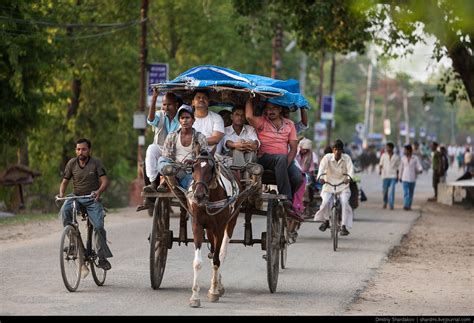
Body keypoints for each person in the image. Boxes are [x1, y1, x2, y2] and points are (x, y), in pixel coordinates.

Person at [245, 96, 304, 222]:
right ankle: (286, 202)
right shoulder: (262, 121)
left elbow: (293, 148)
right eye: (267, 108)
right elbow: (249, 116)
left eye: (273, 109)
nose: (269, 111)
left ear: (280, 110)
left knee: (299, 178)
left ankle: (291, 203)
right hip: (264, 159)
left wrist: (285, 165)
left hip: (284, 161)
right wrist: (249, 98)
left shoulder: (290, 124)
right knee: (280, 158)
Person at [58, 138, 112, 274]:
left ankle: (102, 257)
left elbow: (104, 181)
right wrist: (61, 195)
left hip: (91, 198)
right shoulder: (71, 163)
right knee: (64, 210)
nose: (80, 152)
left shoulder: (96, 163)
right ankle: (72, 242)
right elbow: (64, 182)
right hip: (76, 196)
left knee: (98, 226)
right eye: (78, 149)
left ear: (89, 150)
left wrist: (99, 192)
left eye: (83, 149)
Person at [158, 105, 208, 191]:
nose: (184, 120)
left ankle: (171, 182)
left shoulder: (201, 138)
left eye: (187, 117)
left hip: (190, 171)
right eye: (182, 118)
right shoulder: (172, 136)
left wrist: (194, 162)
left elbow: (204, 160)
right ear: (179, 121)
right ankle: (170, 173)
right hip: (173, 167)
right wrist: (174, 167)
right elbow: (167, 157)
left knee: (190, 184)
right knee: (162, 160)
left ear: (193, 120)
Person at [314, 139, 354, 236]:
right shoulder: (327, 158)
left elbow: (350, 171)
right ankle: (326, 221)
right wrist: (321, 178)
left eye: (339, 150)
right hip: (329, 185)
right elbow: (321, 170)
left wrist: (349, 178)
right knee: (325, 202)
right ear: (333, 150)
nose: (337, 152)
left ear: (342, 150)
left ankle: (343, 226)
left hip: (343, 186)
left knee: (344, 202)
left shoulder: (347, 158)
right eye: (335, 149)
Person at [143, 89, 181, 193]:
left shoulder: (182, 117)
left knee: (167, 157)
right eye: (164, 104)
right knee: (151, 149)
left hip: (177, 151)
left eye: (169, 105)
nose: (166, 107)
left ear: (176, 105)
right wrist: (154, 98)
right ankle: (153, 183)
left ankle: (165, 182)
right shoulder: (161, 114)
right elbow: (151, 120)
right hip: (162, 148)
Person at [191, 90, 225, 155]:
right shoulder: (187, 118)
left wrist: (198, 142)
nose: (201, 99)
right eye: (198, 97)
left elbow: (216, 139)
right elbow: (183, 137)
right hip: (191, 155)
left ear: (208, 102)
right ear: (193, 102)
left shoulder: (217, 118)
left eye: (204, 98)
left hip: (214, 159)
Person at [399, 144, 423, 210]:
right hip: (405, 178)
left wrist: (420, 170)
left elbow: (418, 166)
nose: (404, 151)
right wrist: (399, 177)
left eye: (405, 150)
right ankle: (406, 205)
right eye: (404, 150)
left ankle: (409, 205)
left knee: (411, 193)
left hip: (412, 178)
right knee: (406, 192)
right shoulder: (403, 158)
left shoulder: (415, 158)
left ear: (409, 151)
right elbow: (401, 168)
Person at [379, 142, 400, 210]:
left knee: (392, 191)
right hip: (385, 175)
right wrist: (380, 171)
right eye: (386, 147)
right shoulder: (383, 155)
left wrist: (398, 176)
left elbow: (398, 167)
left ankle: (391, 204)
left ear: (392, 148)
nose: (387, 149)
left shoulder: (396, 157)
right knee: (385, 191)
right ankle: (385, 202)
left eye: (388, 147)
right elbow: (381, 164)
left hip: (393, 176)